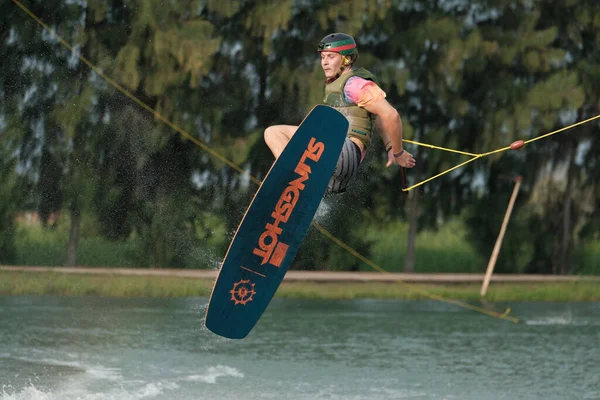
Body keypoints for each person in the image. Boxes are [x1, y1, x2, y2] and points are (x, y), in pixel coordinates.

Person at [264, 32, 416, 194]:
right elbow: (377, 116)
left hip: (340, 153)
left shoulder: (354, 84)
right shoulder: (340, 85)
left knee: (277, 133)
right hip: (339, 164)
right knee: (274, 133)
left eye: (330, 57)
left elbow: (391, 115)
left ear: (347, 59)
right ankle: (292, 187)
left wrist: (398, 152)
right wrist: (389, 147)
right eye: (322, 58)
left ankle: (289, 180)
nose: (324, 63)